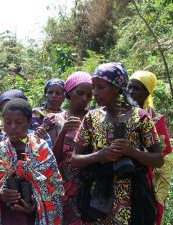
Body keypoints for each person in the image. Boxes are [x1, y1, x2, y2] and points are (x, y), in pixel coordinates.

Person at [71, 62, 164, 225]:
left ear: (116, 88)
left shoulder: (140, 117)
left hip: (130, 199)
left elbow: (158, 159)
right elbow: (75, 159)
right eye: (94, 87)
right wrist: (99, 155)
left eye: (100, 87)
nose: (95, 93)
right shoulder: (92, 118)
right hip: (97, 199)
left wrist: (133, 152)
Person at [0, 99, 64, 225]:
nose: (13, 127)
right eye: (8, 123)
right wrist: (0, 195)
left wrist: (35, 203)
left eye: (19, 122)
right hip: (6, 217)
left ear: (29, 121)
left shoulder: (41, 148)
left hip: (33, 218)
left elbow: (55, 187)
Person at [128, 70, 172, 225]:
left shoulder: (156, 119)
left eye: (137, 88)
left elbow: (163, 150)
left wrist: (135, 152)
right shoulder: (117, 114)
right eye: (129, 87)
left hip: (145, 177)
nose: (131, 92)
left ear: (147, 92)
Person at [51, 72, 92, 225]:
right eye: (80, 93)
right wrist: (63, 132)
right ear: (68, 92)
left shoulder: (96, 119)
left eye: (89, 95)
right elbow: (53, 159)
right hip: (62, 187)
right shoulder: (55, 120)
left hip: (88, 185)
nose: (85, 99)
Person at [31, 78, 65, 145]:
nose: (53, 95)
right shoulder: (35, 114)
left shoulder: (66, 116)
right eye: (50, 92)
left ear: (63, 97)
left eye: (58, 93)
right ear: (45, 95)